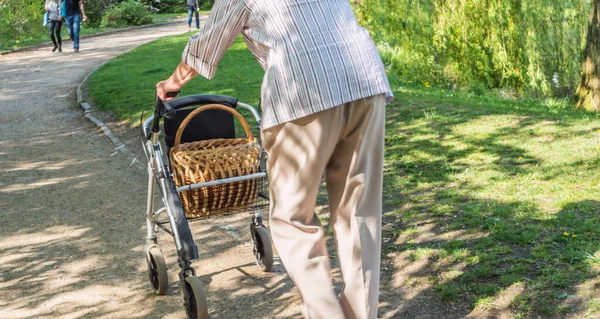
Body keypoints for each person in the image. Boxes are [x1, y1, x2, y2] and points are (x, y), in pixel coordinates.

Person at [156, 1, 393, 318]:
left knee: (291, 219)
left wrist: (172, 83)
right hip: (364, 78)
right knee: (359, 213)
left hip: (304, 89)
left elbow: (208, 44)